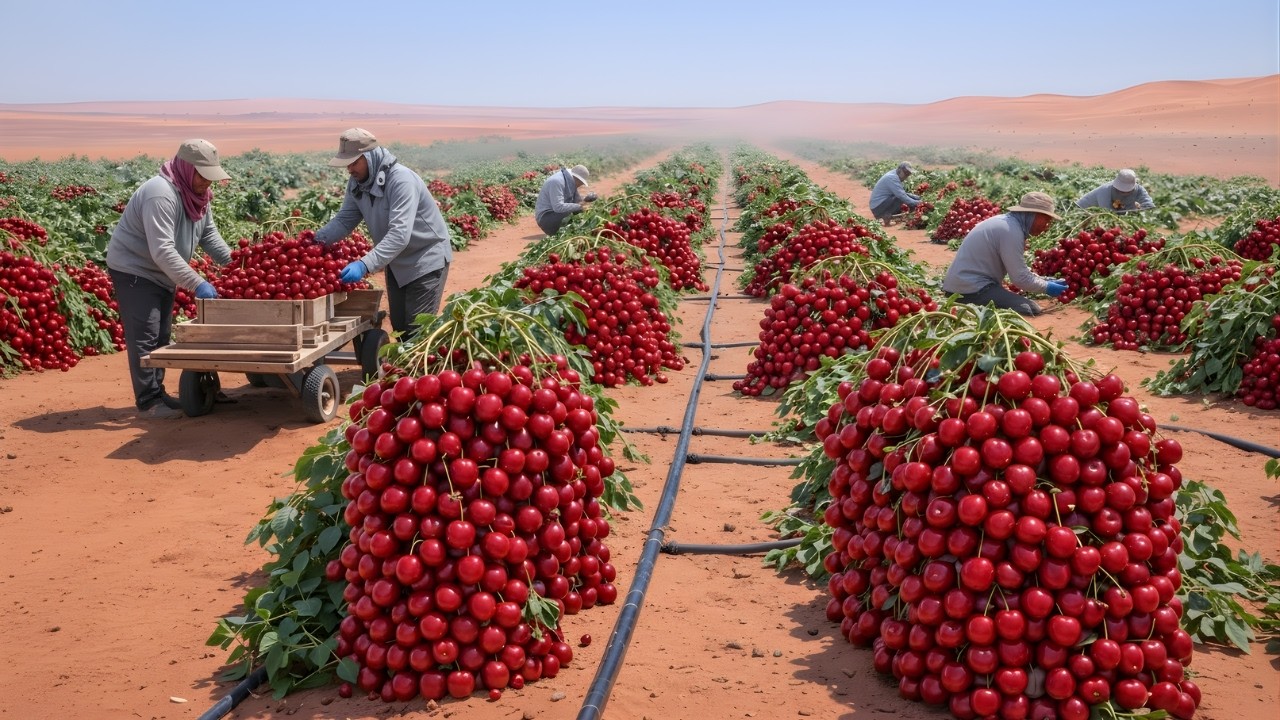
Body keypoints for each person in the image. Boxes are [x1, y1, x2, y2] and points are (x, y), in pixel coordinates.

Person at [105, 139, 233, 419]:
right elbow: (162, 250)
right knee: (146, 335)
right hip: (135, 268)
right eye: (203, 176)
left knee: (161, 333)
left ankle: (157, 391)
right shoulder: (160, 194)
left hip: (162, 271)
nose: (207, 184)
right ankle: (148, 400)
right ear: (188, 169)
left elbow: (208, 235)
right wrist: (196, 281)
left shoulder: (197, 196)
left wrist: (236, 263)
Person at [314, 128, 453, 340]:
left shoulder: (401, 180)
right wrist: (315, 241)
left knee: (417, 331)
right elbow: (344, 220)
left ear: (369, 156)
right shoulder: (357, 182)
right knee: (400, 327)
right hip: (397, 260)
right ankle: (406, 370)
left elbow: (399, 234)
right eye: (347, 164)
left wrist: (364, 264)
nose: (349, 169)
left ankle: (423, 371)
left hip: (425, 257)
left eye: (353, 162)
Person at [942, 191, 1068, 317]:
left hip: (960, 286)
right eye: (1046, 219)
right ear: (1033, 214)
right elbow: (1020, 279)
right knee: (1029, 308)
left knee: (1023, 304)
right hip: (969, 290)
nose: (1047, 226)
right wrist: (1048, 288)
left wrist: (1045, 280)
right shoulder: (1011, 231)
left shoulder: (1007, 223)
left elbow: (1020, 271)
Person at [534, 164, 597, 235]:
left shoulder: (570, 180)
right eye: (581, 183)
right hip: (547, 218)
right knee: (572, 214)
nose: (581, 185)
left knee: (579, 212)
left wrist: (587, 200)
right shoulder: (556, 181)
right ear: (576, 178)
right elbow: (558, 207)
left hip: (556, 214)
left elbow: (577, 201)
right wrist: (581, 206)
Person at [1076, 169, 1155, 213]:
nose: (1123, 192)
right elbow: (1107, 213)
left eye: (1126, 190)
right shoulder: (1105, 191)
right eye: (1120, 189)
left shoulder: (1139, 190)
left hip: (1102, 213)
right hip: (1082, 210)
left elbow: (1149, 205)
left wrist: (1141, 211)